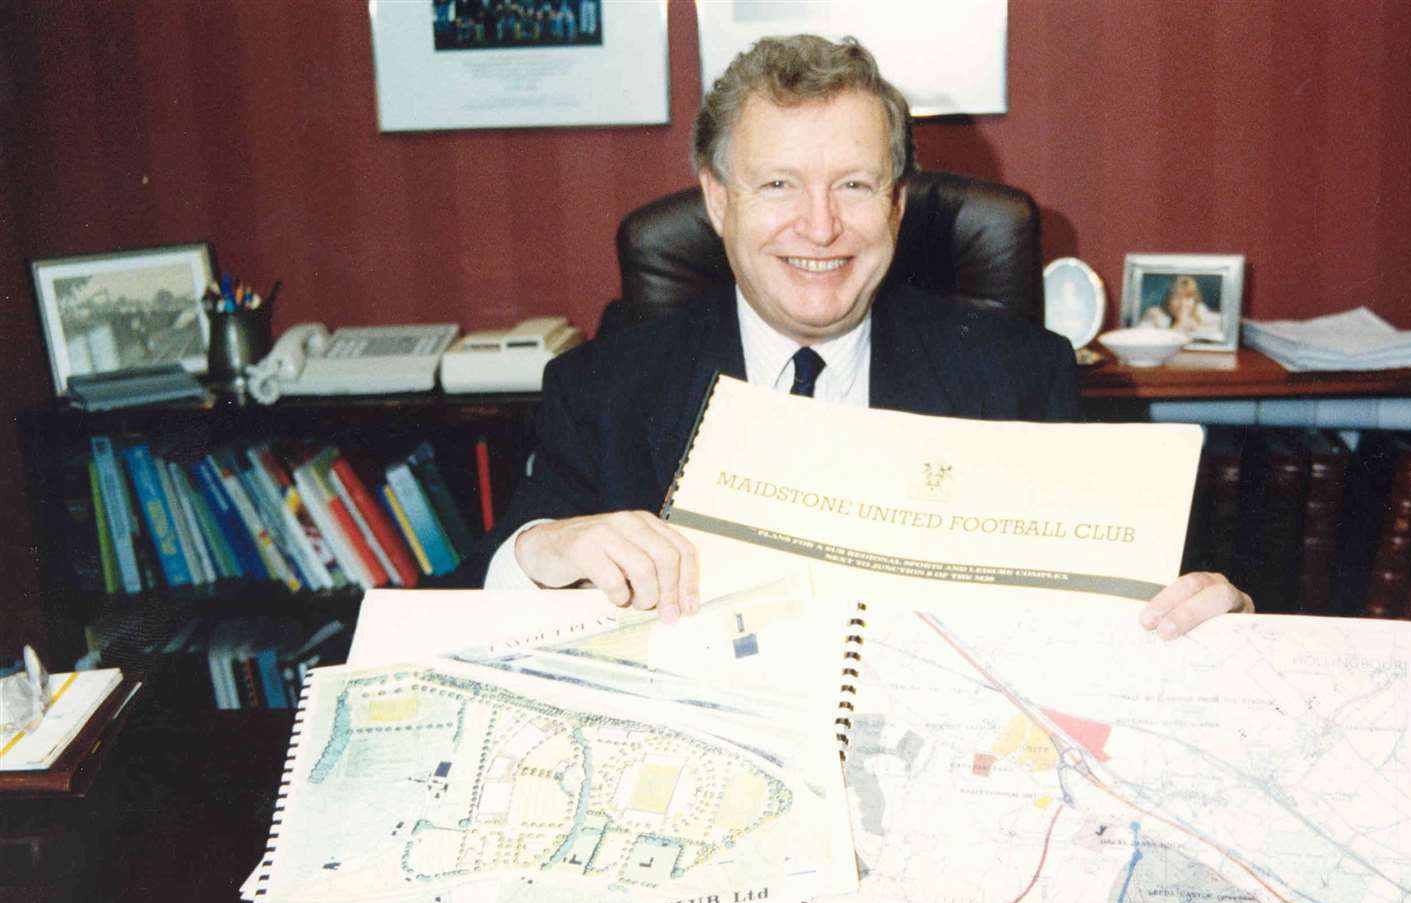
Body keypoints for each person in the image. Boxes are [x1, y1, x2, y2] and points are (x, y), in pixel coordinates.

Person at [481, 34, 1251, 639]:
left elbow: (1130, 606)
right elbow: (483, 593)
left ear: (896, 204)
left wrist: (1213, 618)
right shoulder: (601, 387)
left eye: (853, 185)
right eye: (777, 184)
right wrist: (542, 551)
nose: (819, 227)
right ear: (717, 202)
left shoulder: (1018, 376)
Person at [1138, 274, 1224, 341]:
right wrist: (1179, 324)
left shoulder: (1200, 312)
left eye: (1188, 297)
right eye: (1177, 297)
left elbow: (1225, 331)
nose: (1182, 303)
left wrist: (1198, 328)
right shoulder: (1155, 315)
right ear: (1168, 300)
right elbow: (1144, 339)